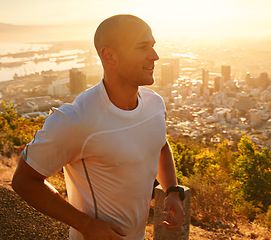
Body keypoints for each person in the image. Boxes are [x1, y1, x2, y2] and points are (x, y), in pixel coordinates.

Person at [12, 14, 185, 240]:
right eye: (142, 47)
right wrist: (86, 225)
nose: (155, 56)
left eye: (152, 46)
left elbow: (160, 146)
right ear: (109, 55)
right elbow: (24, 181)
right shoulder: (76, 119)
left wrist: (171, 190)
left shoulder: (155, 105)